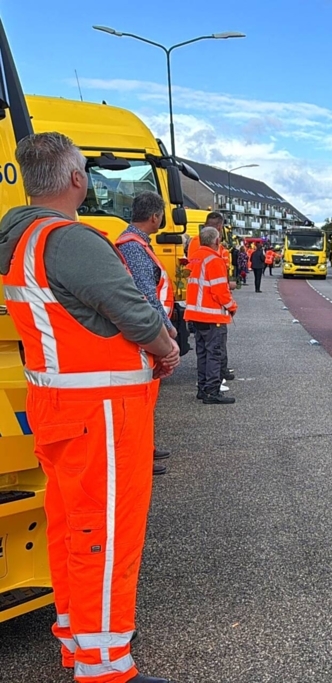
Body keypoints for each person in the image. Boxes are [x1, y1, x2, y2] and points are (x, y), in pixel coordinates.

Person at [0, 131, 178, 683]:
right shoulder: (69, 239)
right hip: (102, 412)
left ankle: (78, 643)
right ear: (77, 178)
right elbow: (135, 313)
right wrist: (167, 348)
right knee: (107, 537)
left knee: (72, 531)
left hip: (60, 405)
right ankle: (104, 669)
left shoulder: (19, 237)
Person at [115, 191, 177, 476]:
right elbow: (145, 294)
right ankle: (140, 455)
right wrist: (166, 327)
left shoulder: (134, 243)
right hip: (145, 333)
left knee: (147, 399)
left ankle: (146, 448)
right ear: (155, 216)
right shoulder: (134, 247)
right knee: (140, 400)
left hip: (144, 331)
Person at [185, 227, 237, 404]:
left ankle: (202, 388)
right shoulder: (214, 260)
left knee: (202, 354)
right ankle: (212, 392)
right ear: (217, 241)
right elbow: (220, 292)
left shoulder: (195, 257)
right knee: (214, 354)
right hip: (212, 316)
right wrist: (232, 306)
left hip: (196, 314)